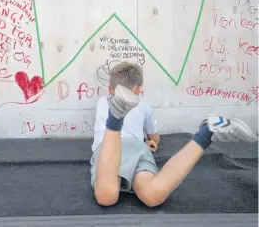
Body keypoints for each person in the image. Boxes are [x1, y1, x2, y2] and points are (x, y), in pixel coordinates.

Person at [90, 61, 257, 207]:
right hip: (137, 147)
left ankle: (115, 120)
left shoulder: (101, 102)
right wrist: (150, 141)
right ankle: (206, 132)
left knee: (107, 196)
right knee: (152, 194)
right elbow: (155, 138)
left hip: (108, 146)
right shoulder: (144, 105)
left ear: (110, 90)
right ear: (138, 90)